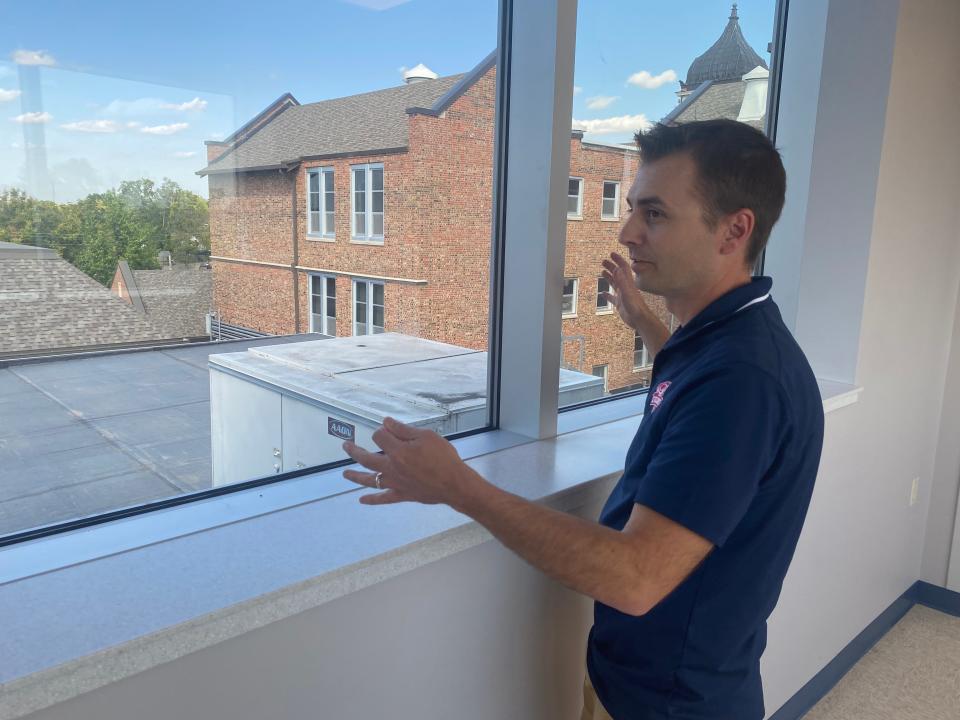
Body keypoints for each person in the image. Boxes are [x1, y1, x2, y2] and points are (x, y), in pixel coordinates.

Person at [342, 119, 825, 720]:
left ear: (735, 230)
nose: (626, 233)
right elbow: (689, 386)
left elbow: (636, 577)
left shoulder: (741, 381)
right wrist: (645, 324)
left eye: (654, 215)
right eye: (632, 210)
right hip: (667, 684)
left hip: (673, 706)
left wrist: (457, 486)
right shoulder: (723, 341)